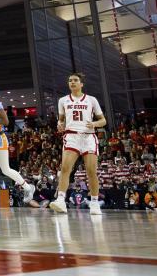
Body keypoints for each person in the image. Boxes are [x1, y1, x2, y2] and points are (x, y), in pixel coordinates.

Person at [50, 73, 106, 215]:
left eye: (75, 80)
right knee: (65, 168)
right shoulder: (63, 100)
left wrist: (93, 123)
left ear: (81, 84)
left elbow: (103, 121)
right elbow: (61, 120)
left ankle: (94, 202)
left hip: (88, 137)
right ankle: (61, 200)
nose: (72, 82)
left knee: (91, 171)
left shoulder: (91, 100)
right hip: (72, 136)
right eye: (70, 80)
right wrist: (59, 124)